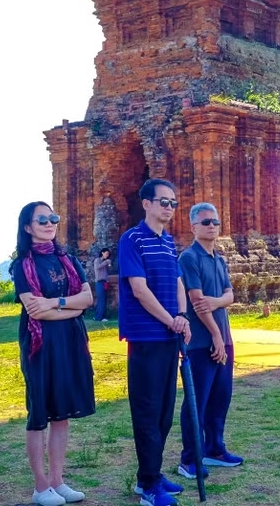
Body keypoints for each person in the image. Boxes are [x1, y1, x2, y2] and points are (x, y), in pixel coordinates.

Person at [11, 202, 96, 506]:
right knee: (39, 415)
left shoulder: (69, 259)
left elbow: (87, 299)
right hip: (40, 345)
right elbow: (36, 312)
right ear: (27, 227)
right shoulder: (22, 264)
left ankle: (58, 482)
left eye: (53, 218)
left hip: (70, 341)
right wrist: (68, 308)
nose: (49, 223)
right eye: (42, 219)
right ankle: (40, 486)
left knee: (62, 414)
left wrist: (55, 303)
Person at [118, 179, 191, 506]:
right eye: (163, 201)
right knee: (147, 411)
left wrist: (183, 315)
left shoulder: (168, 242)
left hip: (169, 336)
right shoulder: (131, 239)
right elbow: (139, 289)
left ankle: (151, 474)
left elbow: (177, 281)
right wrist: (169, 319)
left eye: (173, 203)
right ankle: (149, 487)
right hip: (146, 336)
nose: (169, 208)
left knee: (164, 411)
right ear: (146, 203)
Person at [177, 202, 243, 480]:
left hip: (223, 338)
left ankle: (215, 448)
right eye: (206, 222)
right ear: (193, 227)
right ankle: (190, 458)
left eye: (215, 222)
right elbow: (196, 300)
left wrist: (217, 302)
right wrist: (215, 335)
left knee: (221, 397)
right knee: (197, 400)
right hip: (201, 341)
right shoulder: (189, 258)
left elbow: (229, 296)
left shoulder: (219, 258)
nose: (212, 226)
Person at [93, 248, 112, 321]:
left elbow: (108, 271)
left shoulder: (106, 262)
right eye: (106, 253)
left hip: (104, 282)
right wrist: (106, 262)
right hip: (99, 282)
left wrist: (109, 264)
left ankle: (98, 316)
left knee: (103, 299)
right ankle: (100, 317)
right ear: (102, 253)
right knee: (101, 300)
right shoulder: (97, 260)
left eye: (108, 254)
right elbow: (97, 267)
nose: (107, 255)